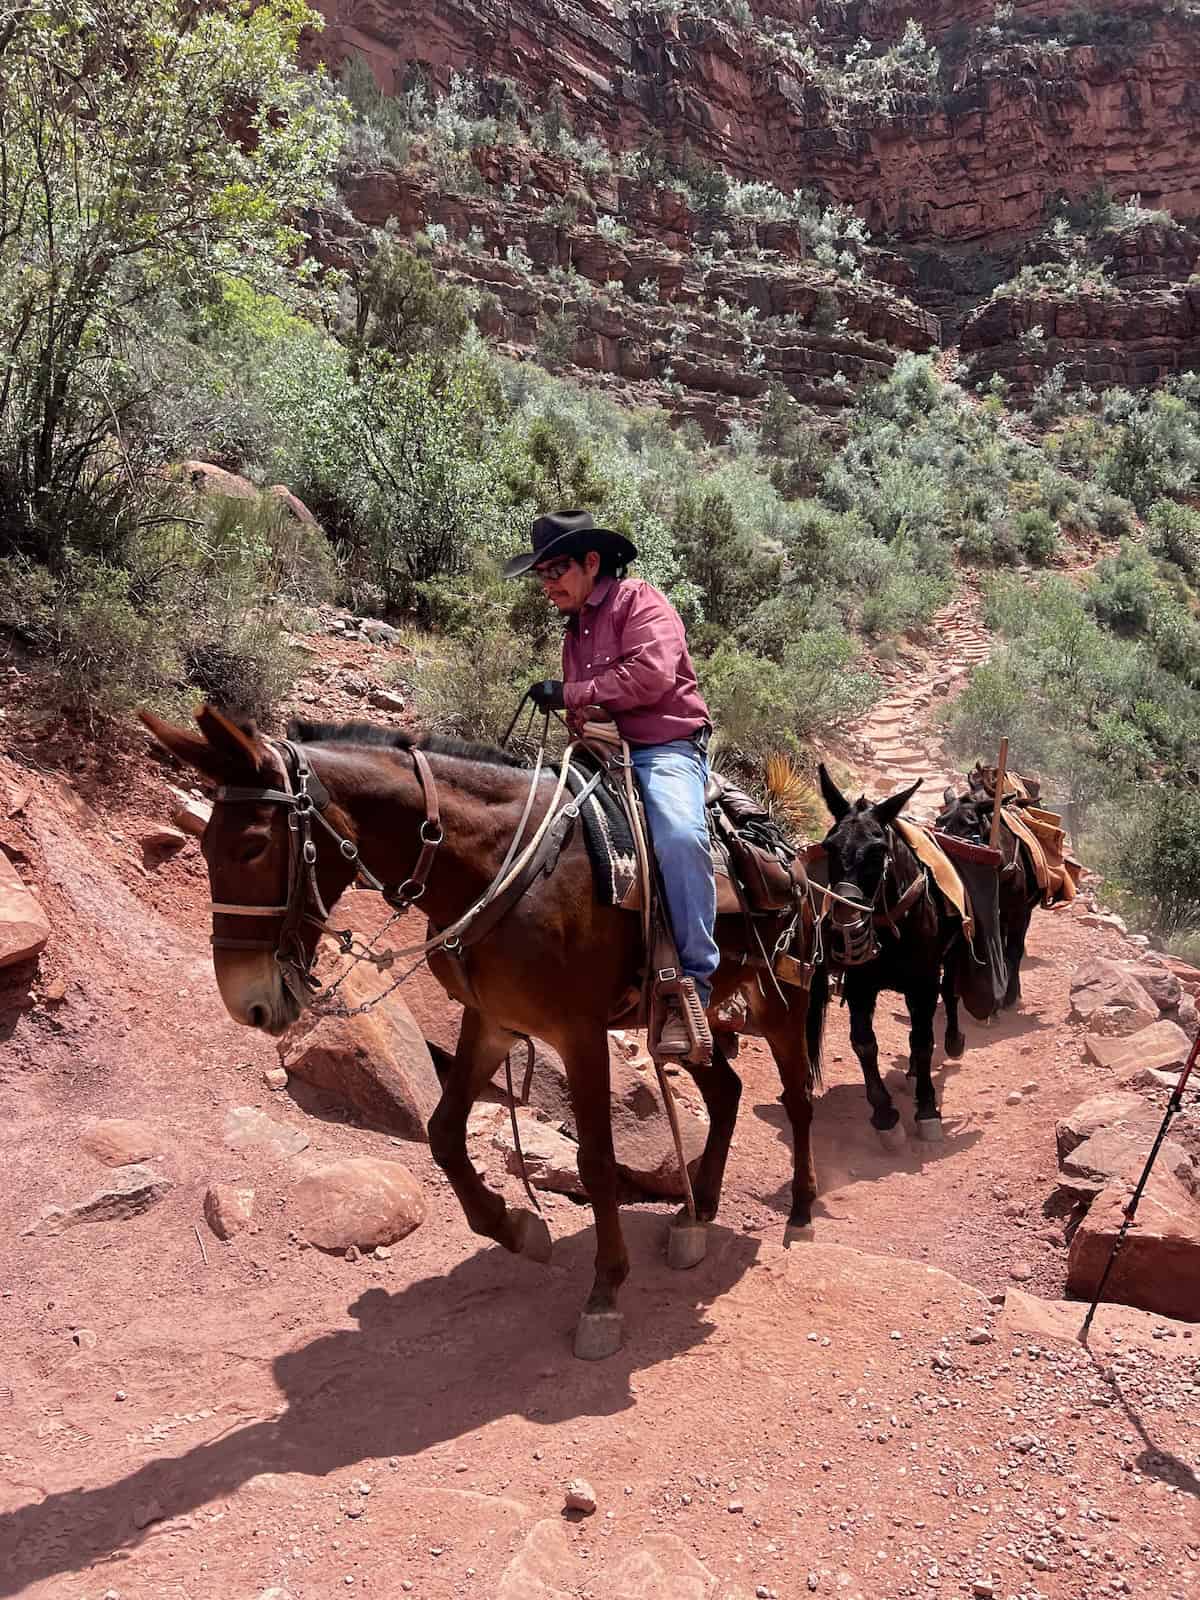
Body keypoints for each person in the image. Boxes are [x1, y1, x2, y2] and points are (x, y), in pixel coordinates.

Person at [503, 510, 718, 1054]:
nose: (548, 583)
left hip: (662, 746)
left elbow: (652, 677)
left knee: (678, 834)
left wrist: (570, 695)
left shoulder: (639, 602)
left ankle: (693, 983)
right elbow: (590, 704)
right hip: (603, 752)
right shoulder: (574, 631)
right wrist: (578, 715)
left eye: (557, 570)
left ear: (591, 562)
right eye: (542, 573)